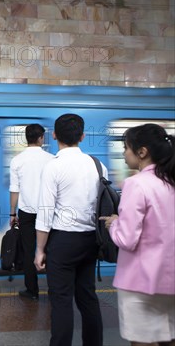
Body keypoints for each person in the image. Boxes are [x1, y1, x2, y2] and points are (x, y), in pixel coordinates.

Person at [100, 124, 175, 346]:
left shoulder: (136, 184)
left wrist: (114, 224)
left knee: (143, 341)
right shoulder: (171, 181)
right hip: (171, 277)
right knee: (169, 338)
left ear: (142, 152)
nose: (123, 154)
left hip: (141, 281)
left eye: (126, 148)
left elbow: (126, 239)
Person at [34, 114, 104, 346]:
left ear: (54, 135)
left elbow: (45, 212)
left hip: (63, 242)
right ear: (82, 136)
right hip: (91, 240)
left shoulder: (53, 167)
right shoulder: (98, 165)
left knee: (62, 300)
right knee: (87, 297)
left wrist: (39, 250)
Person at [9, 124, 53, 301]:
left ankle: (32, 291)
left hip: (26, 212)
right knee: (49, 250)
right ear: (41, 138)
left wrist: (13, 214)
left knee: (29, 251)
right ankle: (54, 290)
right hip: (48, 211)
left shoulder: (17, 160)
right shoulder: (52, 159)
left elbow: (14, 190)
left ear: (26, 138)